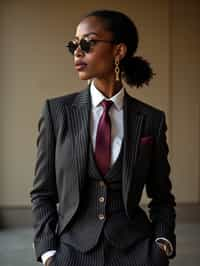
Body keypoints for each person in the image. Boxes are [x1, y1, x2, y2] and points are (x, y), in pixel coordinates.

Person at [30, 9, 176, 266]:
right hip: (71, 252)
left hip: (137, 251)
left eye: (88, 42)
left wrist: (162, 244)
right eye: (73, 45)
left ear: (119, 51)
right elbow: (43, 193)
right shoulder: (56, 113)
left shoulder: (151, 120)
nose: (78, 51)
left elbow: (162, 196)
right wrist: (48, 253)